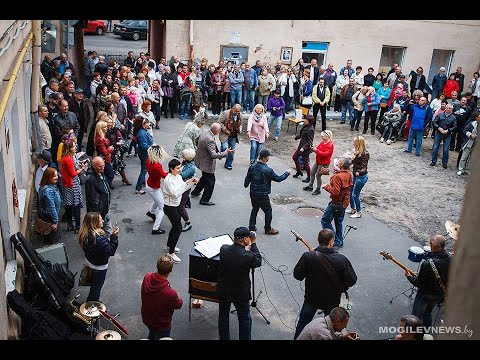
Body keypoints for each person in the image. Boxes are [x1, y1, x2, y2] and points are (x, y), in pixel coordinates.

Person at [293, 229, 357, 339]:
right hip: (331, 302)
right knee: (330, 327)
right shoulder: (342, 260)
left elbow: (297, 275)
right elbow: (352, 280)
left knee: (303, 322)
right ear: (331, 241)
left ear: (319, 240)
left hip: (311, 299)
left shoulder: (308, 256)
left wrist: (310, 257)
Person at [218, 227, 262, 340]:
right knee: (244, 319)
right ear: (245, 239)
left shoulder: (224, 249)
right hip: (240, 293)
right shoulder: (248, 256)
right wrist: (254, 244)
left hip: (224, 290)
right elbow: (258, 260)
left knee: (223, 317)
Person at [405, 235, 451, 329]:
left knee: (415, 317)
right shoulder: (451, 260)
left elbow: (418, 283)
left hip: (424, 296)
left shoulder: (428, 264)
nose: (429, 246)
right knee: (427, 314)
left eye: (430, 243)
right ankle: (426, 334)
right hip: (438, 296)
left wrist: (409, 277)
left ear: (433, 245)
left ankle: (412, 335)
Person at [244, 149, 291, 235]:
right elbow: (278, 178)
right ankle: (268, 228)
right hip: (263, 194)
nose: (268, 158)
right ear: (265, 158)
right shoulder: (268, 170)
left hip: (253, 192)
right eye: (268, 157)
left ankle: (251, 227)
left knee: (255, 208)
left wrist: (246, 185)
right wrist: (287, 173)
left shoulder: (252, 166)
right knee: (268, 210)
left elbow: (247, 179)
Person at [162, 159, 198, 263]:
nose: (179, 169)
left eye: (180, 167)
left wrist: (191, 182)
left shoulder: (178, 176)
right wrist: (187, 183)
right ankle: (171, 252)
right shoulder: (168, 180)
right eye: (177, 168)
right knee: (178, 228)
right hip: (170, 207)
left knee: (175, 227)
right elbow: (176, 193)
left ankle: (169, 246)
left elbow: (184, 187)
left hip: (176, 205)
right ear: (171, 169)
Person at [78, 212, 119, 302]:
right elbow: (110, 251)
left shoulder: (84, 233)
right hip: (99, 266)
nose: (103, 221)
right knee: (97, 287)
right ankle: (92, 304)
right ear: (94, 223)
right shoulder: (99, 239)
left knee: (94, 283)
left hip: (90, 261)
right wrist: (114, 237)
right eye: (100, 220)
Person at [141, 255, 183, 340]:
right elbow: (178, 305)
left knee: (152, 333)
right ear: (170, 270)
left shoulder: (147, 277)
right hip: (161, 324)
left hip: (147, 318)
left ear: (157, 266)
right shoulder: (170, 293)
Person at [191, 123, 233, 205]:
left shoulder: (205, 131)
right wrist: (225, 153)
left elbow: (197, 140)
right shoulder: (209, 139)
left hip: (201, 159)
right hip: (206, 163)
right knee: (211, 181)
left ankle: (195, 192)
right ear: (217, 131)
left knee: (204, 177)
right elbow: (213, 155)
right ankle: (204, 200)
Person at [320, 157, 353, 248]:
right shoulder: (349, 174)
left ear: (342, 165)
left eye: (339, 161)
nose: (337, 161)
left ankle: (333, 239)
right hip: (343, 203)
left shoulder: (338, 177)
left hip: (336, 203)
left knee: (325, 220)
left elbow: (335, 191)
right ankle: (339, 241)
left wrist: (326, 186)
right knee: (338, 222)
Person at [85, 157, 113, 237]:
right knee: (102, 232)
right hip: (99, 213)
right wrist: (97, 215)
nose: (102, 168)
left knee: (106, 231)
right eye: (100, 166)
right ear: (94, 166)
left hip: (104, 210)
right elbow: (92, 199)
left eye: (103, 165)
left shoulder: (100, 174)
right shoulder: (91, 180)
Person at [146, 145, 169, 235]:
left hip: (150, 184)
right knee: (163, 208)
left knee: (158, 200)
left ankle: (151, 212)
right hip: (154, 187)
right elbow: (164, 175)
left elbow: (161, 173)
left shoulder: (149, 161)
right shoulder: (157, 166)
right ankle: (155, 228)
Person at [303, 130, 334, 195]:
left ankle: (318, 189)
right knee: (312, 172)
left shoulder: (330, 145)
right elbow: (318, 149)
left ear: (327, 136)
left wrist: (316, 150)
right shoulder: (323, 142)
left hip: (324, 163)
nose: (322, 138)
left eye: (323, 136)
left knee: (318, 175)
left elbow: (325, 154)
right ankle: (310, 186)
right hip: (318, 161)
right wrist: (314, 148)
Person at [37, 168, 62, 245]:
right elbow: (51, 207)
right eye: (54, 176)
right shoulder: (48, 190)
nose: (57, 177)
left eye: (56, 175)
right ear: (48, 177)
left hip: (47, 216)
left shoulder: (47, 186)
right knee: (51, 241)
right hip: (49, 218)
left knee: (49, 240)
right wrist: (55, 221)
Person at [348, 136, 370, 219]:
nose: (353, 143)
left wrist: (359, 172)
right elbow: (352, 162)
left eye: (355, 142)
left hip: (361, 177)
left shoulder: (365, 153)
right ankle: (353, 208)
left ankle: (358, 211)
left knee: (355, 194)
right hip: (355, 175)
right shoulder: (357, 152)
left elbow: (364, 166)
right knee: (350, 191)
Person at [430, 103, 457, 168]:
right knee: (435, 147)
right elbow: (434, 122)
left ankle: (444, 163)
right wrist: (439, 128)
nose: (448, 109)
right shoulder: (440, 115)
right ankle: (433, 161)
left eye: (449, 108)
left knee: (446, 149)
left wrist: (448, 130)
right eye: (447, 107)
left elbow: (455, 126)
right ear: (445, 108)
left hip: (447, 134)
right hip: (439, 133)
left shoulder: (453, 117)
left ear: (452, 109)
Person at [218, 104, 242, 170]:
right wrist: (225, 130)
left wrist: (240, 129)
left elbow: (240, 124)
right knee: (224, 147)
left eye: (238, 111)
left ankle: (228, 164)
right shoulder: (225, 113)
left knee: (232, 151)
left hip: (234, 135)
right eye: (236, 111)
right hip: (225, 135)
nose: (237, 113)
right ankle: (221, 153)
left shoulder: (240, 115)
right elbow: (219, 122)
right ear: (232, 109)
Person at [292, 114, 315, 183]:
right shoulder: (306, 126)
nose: (305, 121)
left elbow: (310, 141)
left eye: (307, 121)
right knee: (295, 157)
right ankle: (299, 171)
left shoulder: (311, 129)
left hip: (305, 149)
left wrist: (304, 147)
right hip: (301, 146)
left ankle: (309, 177)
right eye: (305, 120)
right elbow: (302, 134)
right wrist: (296, 137)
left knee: (305, 163)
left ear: (310, 122)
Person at [178, 148, 196, 232]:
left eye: (183, 155)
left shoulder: (191, 167)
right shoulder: (186, 163)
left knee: (181, 206)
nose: (182, 156)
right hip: (182, 186)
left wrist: (176, 170)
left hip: (185, 187)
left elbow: (182, 175)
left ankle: (188, 222)